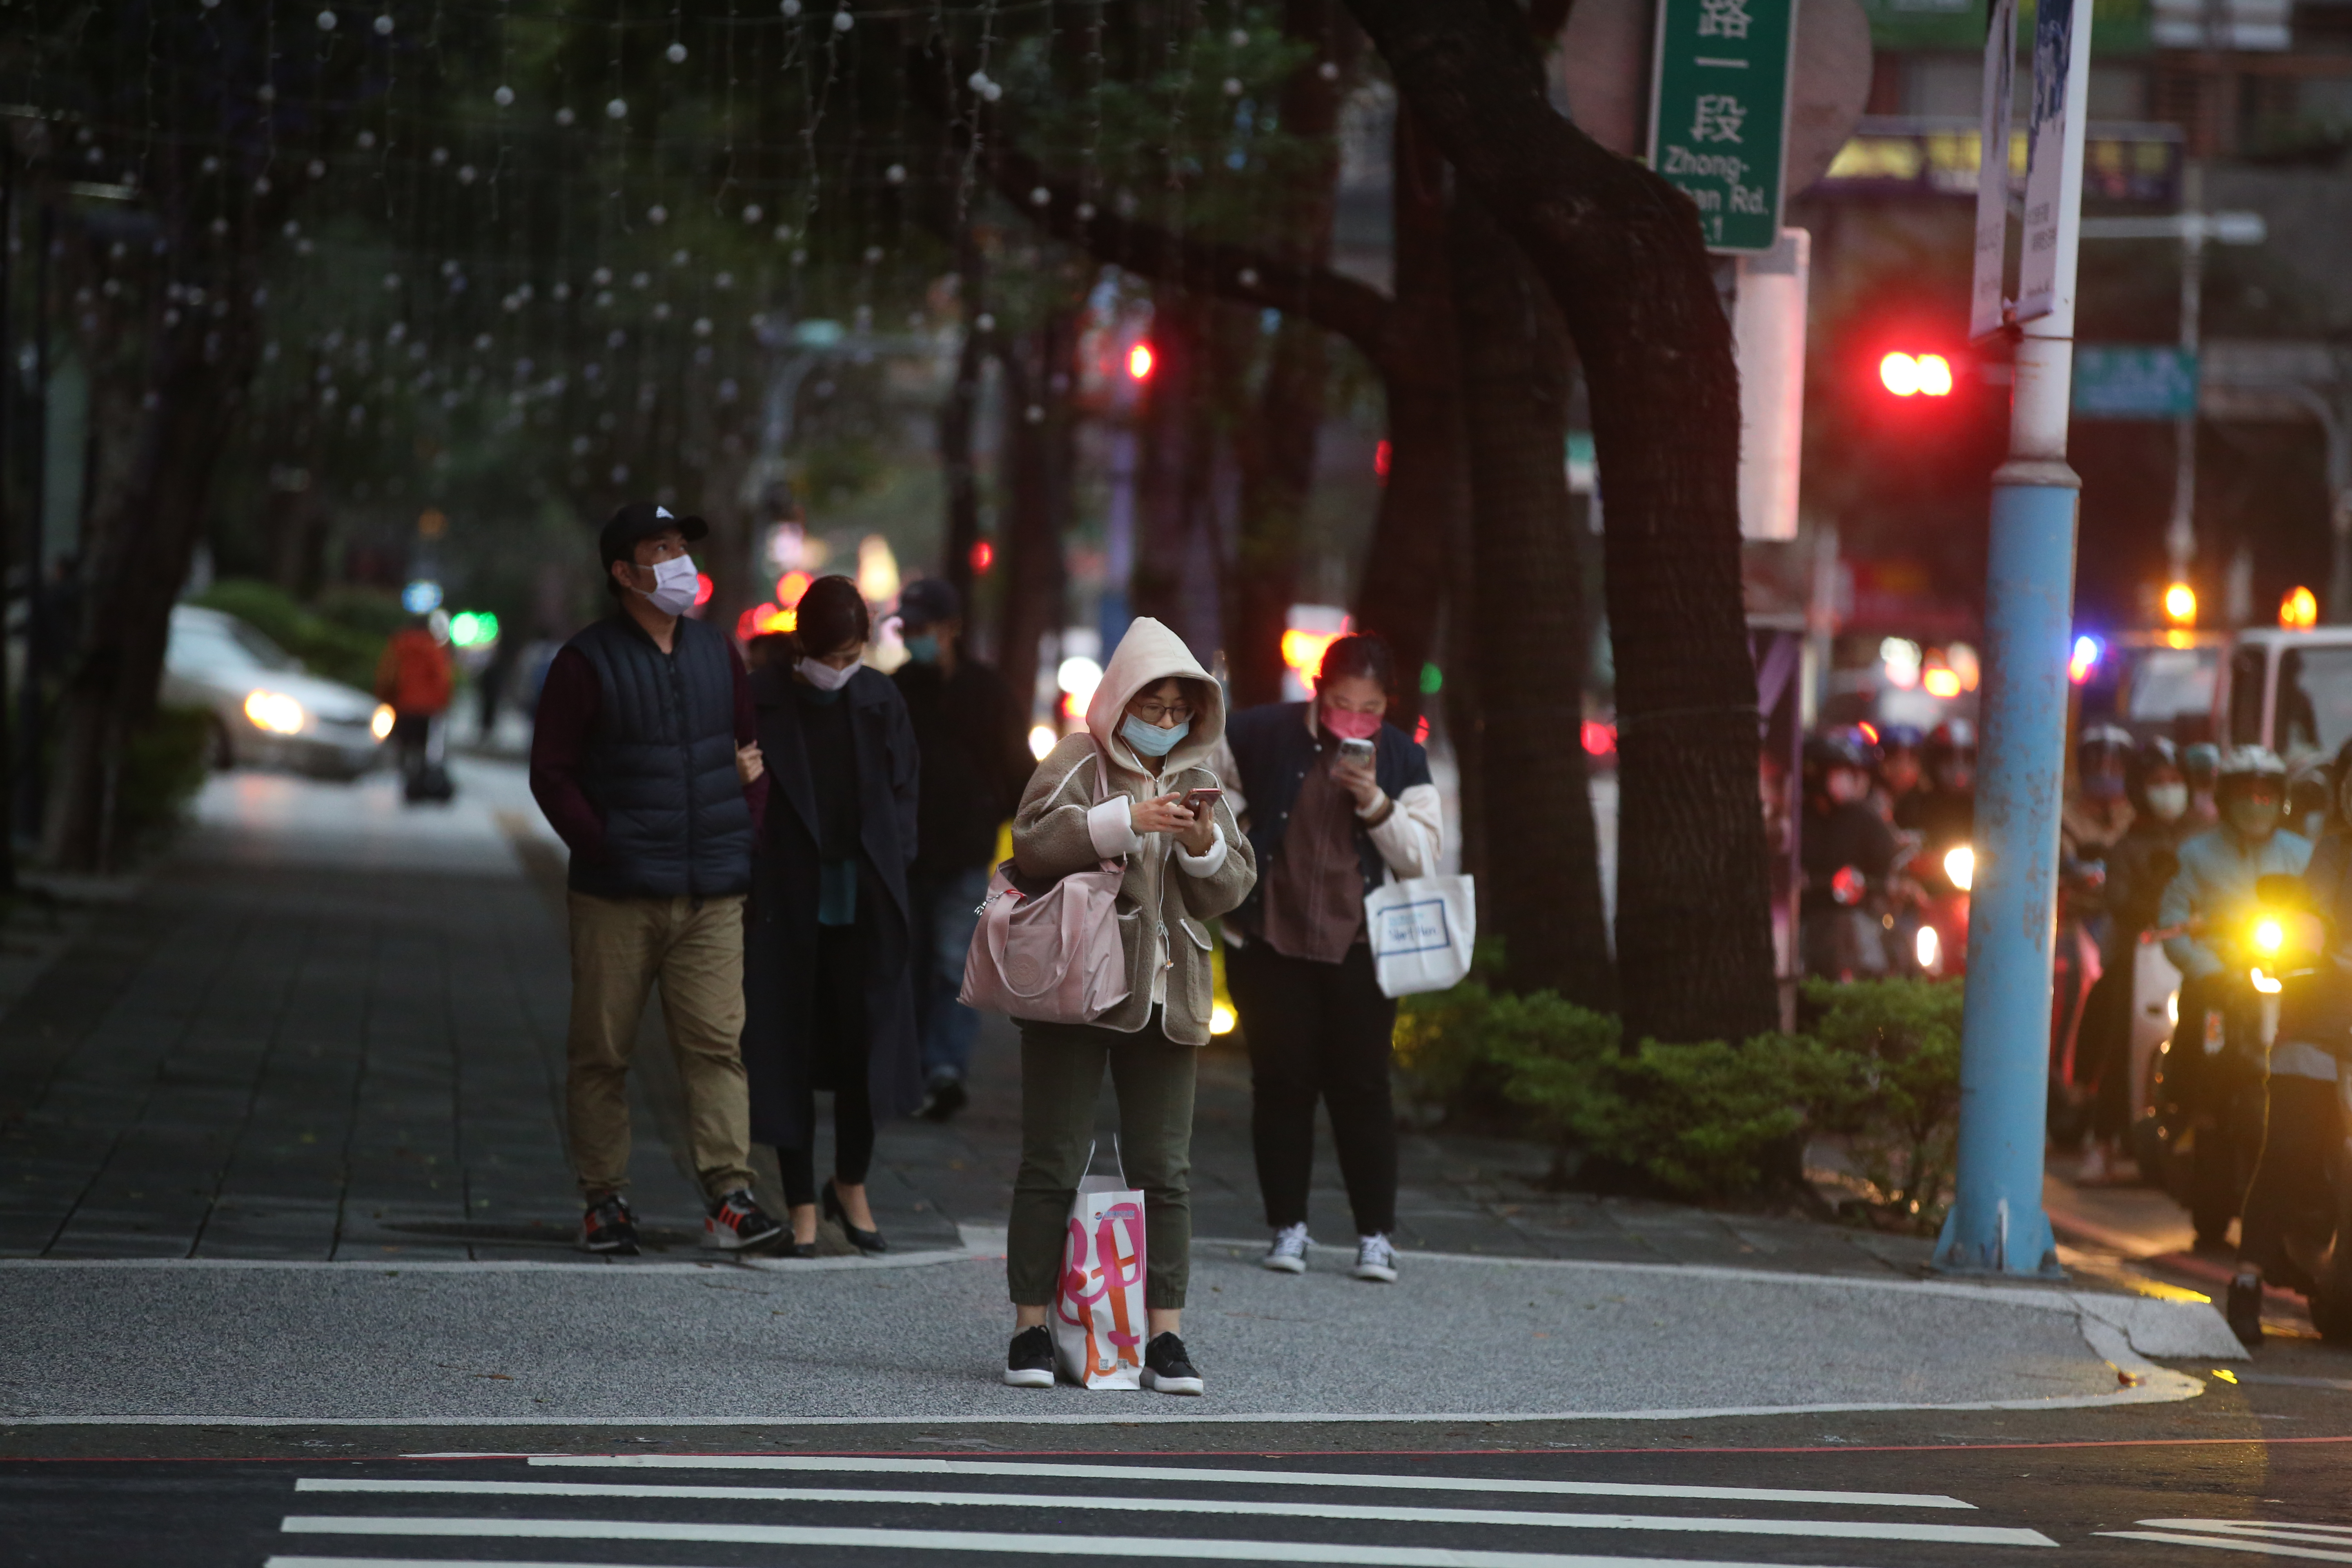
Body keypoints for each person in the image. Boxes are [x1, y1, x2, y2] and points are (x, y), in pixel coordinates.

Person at [999, 617, 1256, 1396]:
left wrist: (1202, 841)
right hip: (1074, 987)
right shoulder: (1078, 760)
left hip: (1167, 995)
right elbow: (1032, 844)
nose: (1168, 720)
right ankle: (1030, 1329)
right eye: (1156, 703)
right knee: (1053, 1158)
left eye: (1182, 708)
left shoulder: (1197, 775)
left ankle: (1165, 1339)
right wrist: (1124, 822)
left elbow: (1233, 888)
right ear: (1120, 699)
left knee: (1165, 1170)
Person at [528, 501, 783, 1257]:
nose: (679, 562)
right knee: (602, 1052)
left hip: (712, 893)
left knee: (717, 1049)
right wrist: (604, 847)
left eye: (682, 548)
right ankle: (605, 1199)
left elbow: (751, 755)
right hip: (618, 895)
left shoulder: (717, 655)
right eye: (661, 549)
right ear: (623, 572)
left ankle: (729, 1196)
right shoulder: (586, 661)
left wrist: (744, 831)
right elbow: (552, 773)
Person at [1216, 633, 1443, 1285]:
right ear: (1319, 689)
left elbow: (1423, 856)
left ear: (1387, 707)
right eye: (1342, 704)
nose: (1354, 720)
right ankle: (1288, 1227)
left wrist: (1374, 800)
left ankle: (1376, 1236)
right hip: (1270, 940)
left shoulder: (1401, 756)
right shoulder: (1261, 732)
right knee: (1281, 1085)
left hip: (1361, 950)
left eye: (1369, 709)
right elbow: (1219, 805)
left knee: (1363, 1088)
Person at [739, 575, 924, 1257]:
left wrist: (895, 861)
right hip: (785, 902)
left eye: (854, 657)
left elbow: (906, 793)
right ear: (803, 646)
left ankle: (851, 1183)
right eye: (832, 656)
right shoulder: (761, 699)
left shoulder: (880, 699)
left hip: (866, 902)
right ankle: (799, 1204)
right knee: (786, 1047)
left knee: (863, 1048)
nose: (841, 671)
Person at [890, 577, 1034, 1121]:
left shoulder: (987, 693)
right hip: (907, 855)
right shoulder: (898, 689)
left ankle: (944, 1067)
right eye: (910, 628)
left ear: (951, 630)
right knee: (910, 964)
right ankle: (912, 1070)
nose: (915, 638)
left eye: (924, 628)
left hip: (966, 860)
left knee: (953, 962)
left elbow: (1017, 770)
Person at [2158, 745, 2313, 1248]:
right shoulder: (2196, 856)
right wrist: (2212, 969)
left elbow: (2324, 921)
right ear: (2226, 798)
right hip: (2219, 996)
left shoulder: (2302, 855)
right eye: (2247, 794)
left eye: (2267, 795)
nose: (2257, 804)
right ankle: (2193, 1142)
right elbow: (2173, 928)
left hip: (2285, 990)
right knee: (2207, 1082)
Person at [2230, 735, 2352, 1343]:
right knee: (2290, 1150)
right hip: (2319, 1027)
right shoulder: (2330, 854)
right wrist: (2311, 947)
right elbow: (2307, 917)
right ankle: (2248, 1278)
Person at [2071, 737, 2192, 1183]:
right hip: (2140, 959)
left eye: (2176, 781)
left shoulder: (2200, 837)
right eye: (2158, 782)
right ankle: (2101, 1142)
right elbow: (2120, 899)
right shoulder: (2127, 847)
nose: (2169, 790)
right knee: (2123, 1037)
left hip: (2198, 956)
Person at [1799, 727, 1899, 981]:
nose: (1854, 780)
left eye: (1857, 773)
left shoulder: (1866, 822)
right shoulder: (1799, 820)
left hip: (1856, 924)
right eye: (1843, 771)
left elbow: (1884, 872)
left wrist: (1866, 885)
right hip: (1803, 922)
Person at [375, 610, 454, 785]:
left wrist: (384, 695)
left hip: (403, 702)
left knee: (402, 740)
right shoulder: (433, 647)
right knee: (420, 744)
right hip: (427, 707)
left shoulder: (399, 643)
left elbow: (388, 672)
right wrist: (443, 702)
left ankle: (402, 772)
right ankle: (416, 775)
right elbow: (442, 677)